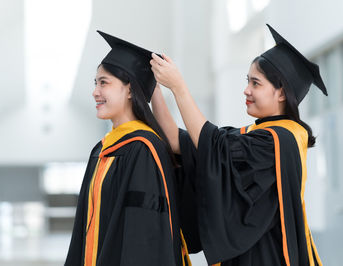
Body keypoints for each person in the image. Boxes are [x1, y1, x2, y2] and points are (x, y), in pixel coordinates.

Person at [150, 24, 327, 265]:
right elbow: (181, 142)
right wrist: (153, 91)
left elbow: (213, 146)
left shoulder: (279, 140)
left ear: (282, 93)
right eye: (248, 81)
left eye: (256, 83)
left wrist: (179, 87)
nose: (246, 90)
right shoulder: (263, 135)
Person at [65, 31, 191, 266]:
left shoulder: (143, 150)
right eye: (96, 83)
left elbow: (143, 236)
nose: (95, 92)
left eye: (104, 83)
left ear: (131, 90)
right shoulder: (102, 149)